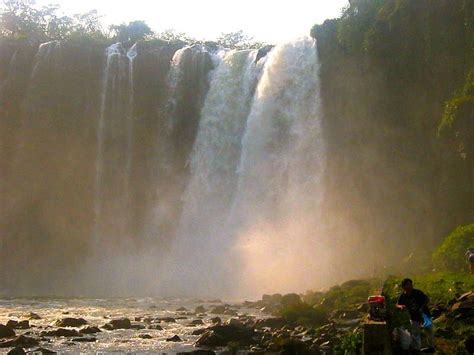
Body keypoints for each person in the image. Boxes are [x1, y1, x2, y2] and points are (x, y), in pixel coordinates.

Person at [396, 278, 435, 353]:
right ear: (403, 287)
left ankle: (431, 347)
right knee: (416, 333)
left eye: (410, 284)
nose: (409, 286)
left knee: (429, 330)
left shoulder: (417, 293)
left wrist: (422, 308)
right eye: (407, 285)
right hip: (414, 316)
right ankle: (417, 349)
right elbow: (397, 304)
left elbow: (426, 299)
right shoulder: (403, 296)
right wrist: (401, 306)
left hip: (424, 315)